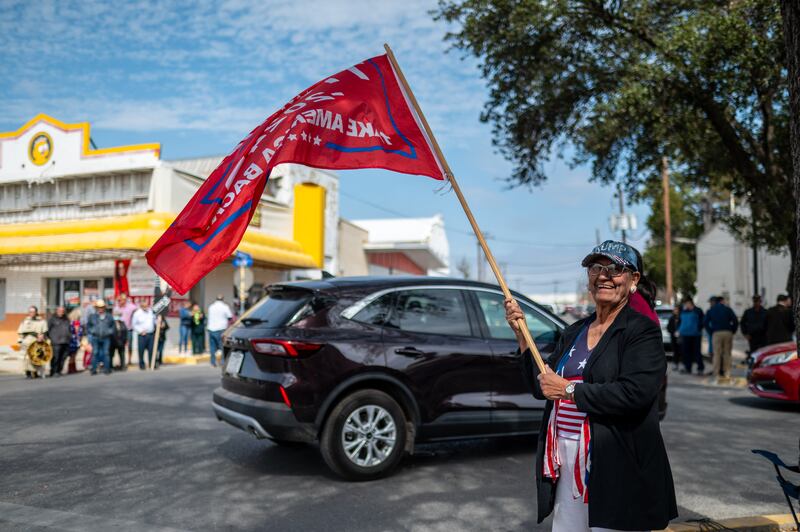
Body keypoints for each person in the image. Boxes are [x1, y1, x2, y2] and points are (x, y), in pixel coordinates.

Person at [508, 240, 676, 531]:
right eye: (596, 267)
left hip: (618, 464)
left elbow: (635, 393)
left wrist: (569, 390)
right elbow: (543, 387)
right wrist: (522, 337)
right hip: (567, 460)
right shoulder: (574, 331)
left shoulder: (641, 331)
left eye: (615, 269)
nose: (603, 276)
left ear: (633, 279)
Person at [704, 296, 739, 380]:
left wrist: (711, 332)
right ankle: (727, 372)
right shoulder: (728, 309)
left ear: (714, 302)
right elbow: (735, 320)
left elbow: (705, 322)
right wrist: (732, 330)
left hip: (716, 333)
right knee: (727, 353)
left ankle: (716, 373)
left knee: (717, 354)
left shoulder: (711, 310)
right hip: (728, 332)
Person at [17, 306, 49, 378]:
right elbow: (20, 332)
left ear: (36, 312)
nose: (32, 313)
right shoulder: (24, 321)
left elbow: (45, 331)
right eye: (30, 312)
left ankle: (34, 372)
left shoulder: (42, 321)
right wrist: (20, 341)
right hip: (26, 342)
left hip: (36, 342)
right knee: (25, 358)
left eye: (33, 312)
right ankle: (27, 372)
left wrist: (42, 336)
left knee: (36, 357)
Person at [86, 300, 114, 375]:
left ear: (104, 307)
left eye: (102, 307)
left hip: (106, 338)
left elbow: (112, 326)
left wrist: (109, 332)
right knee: (95, 353)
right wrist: (92, 331)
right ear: (96, 308)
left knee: (106, 353)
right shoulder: (92, 316)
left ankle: (107, 369)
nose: (100, 309)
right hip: (95, 337)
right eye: (99, 307)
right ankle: (94, 369)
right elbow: (88, 326)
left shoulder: (109, 316)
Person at [678, 297, 705, 374]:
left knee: (697, 352)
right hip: (685, 334)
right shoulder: (683, 311)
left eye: (687, 303)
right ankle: (687, 368)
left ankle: (700, 368)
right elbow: (680, 322)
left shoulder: (698, 311)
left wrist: (698, 328)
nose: (686, 305)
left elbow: (703, 320)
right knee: (686, 352)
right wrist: (678, 330)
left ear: (690, 303)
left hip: (696, 335)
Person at [207, 295, 232, 367]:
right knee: (222, 346)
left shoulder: (211, 307)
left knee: (212, 347)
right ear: (223, 299)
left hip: (211, 329)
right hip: (221, 329)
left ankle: (212, 362)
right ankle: (222, 362)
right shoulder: (225, 307)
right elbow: (230, 317)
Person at [741, 295, 768, 362]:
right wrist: (745, 333)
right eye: (755, 301)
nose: (756, 303)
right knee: (753, 353)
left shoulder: (765, 312)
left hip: (763, 336)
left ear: (760, 302)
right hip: (752, 336)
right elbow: (742, 323)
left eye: (758, 301)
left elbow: (769, 324)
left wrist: (768, 334)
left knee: (763, 353)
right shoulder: (748, 312)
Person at [113, 293, 138, 364]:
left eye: (121, 300)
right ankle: (120, 361)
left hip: (128, 329)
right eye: (119, 300)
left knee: (129, 345)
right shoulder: (117, 307)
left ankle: (129, 360)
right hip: (119, 330)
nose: (120, 301)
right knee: (120, 345)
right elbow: (114, 315)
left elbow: (137, 308)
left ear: (125, 300)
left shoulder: (130, 306)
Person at [47, 306, 71, 377]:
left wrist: (70, 336)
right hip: (56, 342)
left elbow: (69, 329)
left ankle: (59, 370)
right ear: (57, 311)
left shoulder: (66, 319)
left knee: (63, 357)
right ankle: (54, 371)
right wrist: (51, 338)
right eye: (60, 311)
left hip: (65, 341)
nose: (61, 312)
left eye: (63, 311)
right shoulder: (52, 319)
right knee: (56, 357)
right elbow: (47, 329)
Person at [132, 300, 155, 370]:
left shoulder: (151, 312)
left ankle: (152, 363)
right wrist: (140, 331)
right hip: (142, 335)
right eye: (144, 306)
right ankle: (142, 364)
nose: (146, 307)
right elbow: (134, 325)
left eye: (146, 306)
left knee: (151, 350)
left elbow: (154, 321)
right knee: (141, 351)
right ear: (141, 306)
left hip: (151, 334)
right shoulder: (137, 313)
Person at [67, 308, 84, 374]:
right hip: (73, 341)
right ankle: (71, 369)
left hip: (75, 340)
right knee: (72, 355)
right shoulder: (74, 323)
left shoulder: (73, 322)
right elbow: (77, 332)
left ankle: (73, 368)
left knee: (74, 355)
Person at [667, 305, 682, 370]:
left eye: (676, 309)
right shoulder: (671, 318)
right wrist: (673, 332)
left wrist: (679, 332)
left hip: (681, 336)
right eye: (674, 309)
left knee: (681, 351)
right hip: (673, 337)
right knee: (675, 351)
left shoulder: (682, 317)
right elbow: (668, 328)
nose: (675, 311)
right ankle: (676, 364)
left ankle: (684, 365)